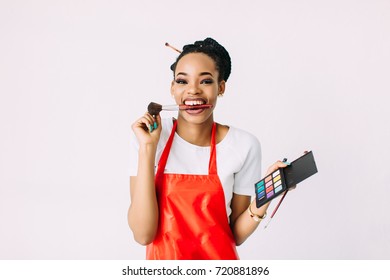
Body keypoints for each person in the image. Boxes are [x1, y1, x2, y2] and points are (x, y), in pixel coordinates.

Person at [127, 38, 289, 260]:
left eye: (205, 81)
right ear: (172, 88)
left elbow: (235, 235)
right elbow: (143, 234)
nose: (193, 91)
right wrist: (148, 148)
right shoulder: (148, 136)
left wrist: (268, 194)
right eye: (182, 82)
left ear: (220, 87)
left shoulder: (244, 145)